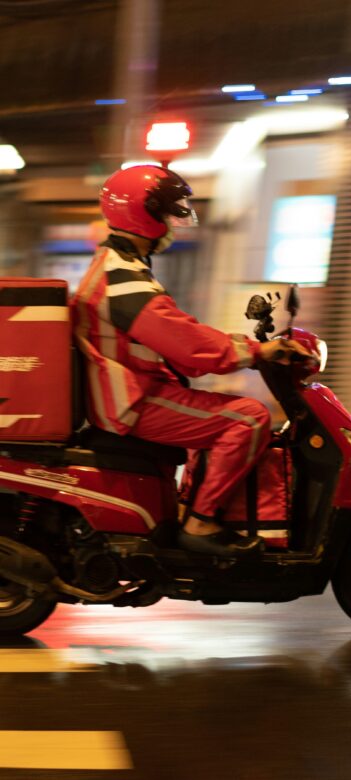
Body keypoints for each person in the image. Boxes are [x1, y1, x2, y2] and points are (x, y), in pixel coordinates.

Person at [71, 165, 309, 557]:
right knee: (249, 418)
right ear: (143, 213)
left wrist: (240, 348)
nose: (174, 222)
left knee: (222, 412)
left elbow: (178, 334)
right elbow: (186, 344)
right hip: (133, 401)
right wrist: (255, 351)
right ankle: (199, 524)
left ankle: (191, 509)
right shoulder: (121, 276)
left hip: (134, 392)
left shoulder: (122, 267)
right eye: (169, 211)